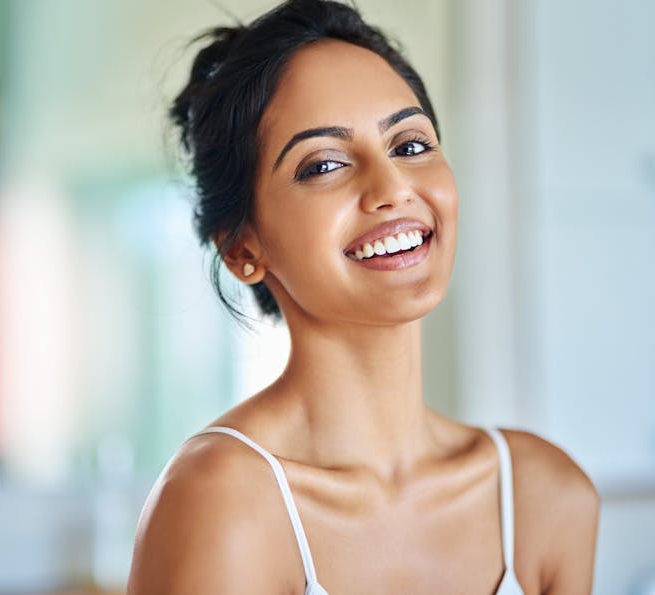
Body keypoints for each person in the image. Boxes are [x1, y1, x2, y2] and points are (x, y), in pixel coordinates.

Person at [127, 1, 600, 593]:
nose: (392, 187)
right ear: (243, 248)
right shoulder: (221, 503)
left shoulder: (545, 496)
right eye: (324, 164)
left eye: (408, 145)